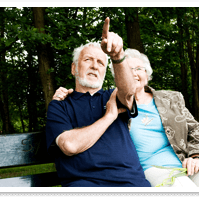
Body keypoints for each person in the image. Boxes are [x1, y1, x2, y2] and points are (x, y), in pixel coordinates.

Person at [53, 48, 199, 187]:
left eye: (139, 69)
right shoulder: (117, 101)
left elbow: (196, 129)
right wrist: (69, 94)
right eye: (128, 70)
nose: (134, 74)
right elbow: (90, 99)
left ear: (148, 74)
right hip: (152, 169)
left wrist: (197, 156)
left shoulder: (170, 98)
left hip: (187, 162)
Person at [45, 17, 151, 187]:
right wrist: (109, 117)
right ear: (74, 68)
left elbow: (129, 91)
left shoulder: (113, 95)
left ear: (104, 72)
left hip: (131, 183)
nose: (95, 66)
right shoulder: (60, 105)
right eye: (88, 60)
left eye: (101, 62)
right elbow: (69, 145)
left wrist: (118, 55)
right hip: (85, 184)